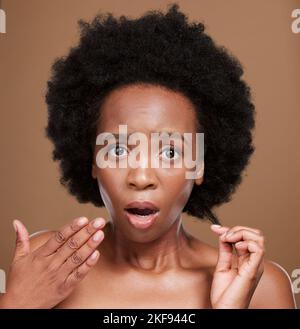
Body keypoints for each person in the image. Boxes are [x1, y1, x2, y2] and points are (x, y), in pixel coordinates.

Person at [0, 3, 296, 309]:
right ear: (91, 161)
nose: (141, 177)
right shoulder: (48, 265)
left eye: (170, 152)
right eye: (117, 150)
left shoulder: (260, 289)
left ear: (199, 165)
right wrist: (16, 303)